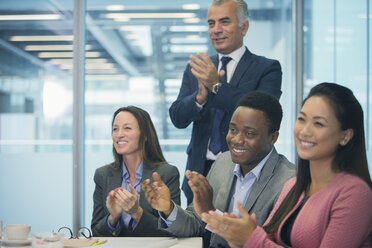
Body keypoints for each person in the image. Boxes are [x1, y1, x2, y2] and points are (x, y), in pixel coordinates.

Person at [202, 83, 372, 248]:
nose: (305, 131)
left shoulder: (355, 193)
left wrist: (250, 238)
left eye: (318, 123)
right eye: (302, 119)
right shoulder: (294, 185)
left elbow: (258, 242)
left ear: (345, 136)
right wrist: (240, 236)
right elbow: (262, 240)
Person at [143, 91, 295, 247]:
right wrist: (168, 209)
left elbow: (268, 244)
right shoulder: (223, 161)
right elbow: (197, 224)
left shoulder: (289, 182)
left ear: (273, 138)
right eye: (233, 129)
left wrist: (212, 212)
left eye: (249, 133)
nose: (237, 140)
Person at [169, 0, 283, 204]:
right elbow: (177, 118)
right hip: (198, 172)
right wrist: (199, 98)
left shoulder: (267, 68)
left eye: (224, 22)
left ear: (244, 26)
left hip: (244, 170)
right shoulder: (198, 67)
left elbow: (264, 114)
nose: (216, 30)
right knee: (196, 231)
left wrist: (216, 86)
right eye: (211, 23)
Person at [91, 106, 181, 237]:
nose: (119, 134)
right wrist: (113, 218)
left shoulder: (166, 173)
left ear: (145, 135)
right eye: (115, 129)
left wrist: (137, 213)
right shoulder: (102, 175)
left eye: (127, 128)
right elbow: (95, 231)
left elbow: (174, 230)